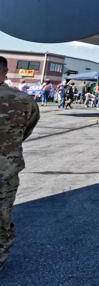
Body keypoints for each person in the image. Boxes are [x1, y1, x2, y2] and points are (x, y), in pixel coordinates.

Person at [0, 55, 40, 270]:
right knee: (2, 213)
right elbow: (27, 129)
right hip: (6, 168)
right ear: (6, 72)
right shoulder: (24, 100)